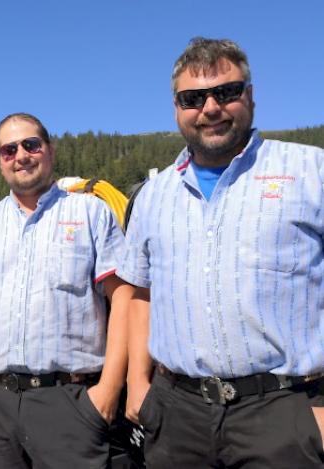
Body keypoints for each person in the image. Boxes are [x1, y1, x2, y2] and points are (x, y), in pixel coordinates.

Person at [119, 37, 324, 468]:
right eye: (193, 98)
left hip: (284, 410)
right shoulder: (152, 196)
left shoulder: (311, 172)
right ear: (177, 108)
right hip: (177, 413)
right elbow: (139, 294)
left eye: (226, 92)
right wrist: (137, 383)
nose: (210, 108)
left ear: (249, 95)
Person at [0, 113, 132, 468]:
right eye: (9, 150)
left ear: (50, 151)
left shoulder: (91, 214)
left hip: (69, 400)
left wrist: (109, 391)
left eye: (31, 145)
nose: (21, 155)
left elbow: (124, 299)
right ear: (0, 162)